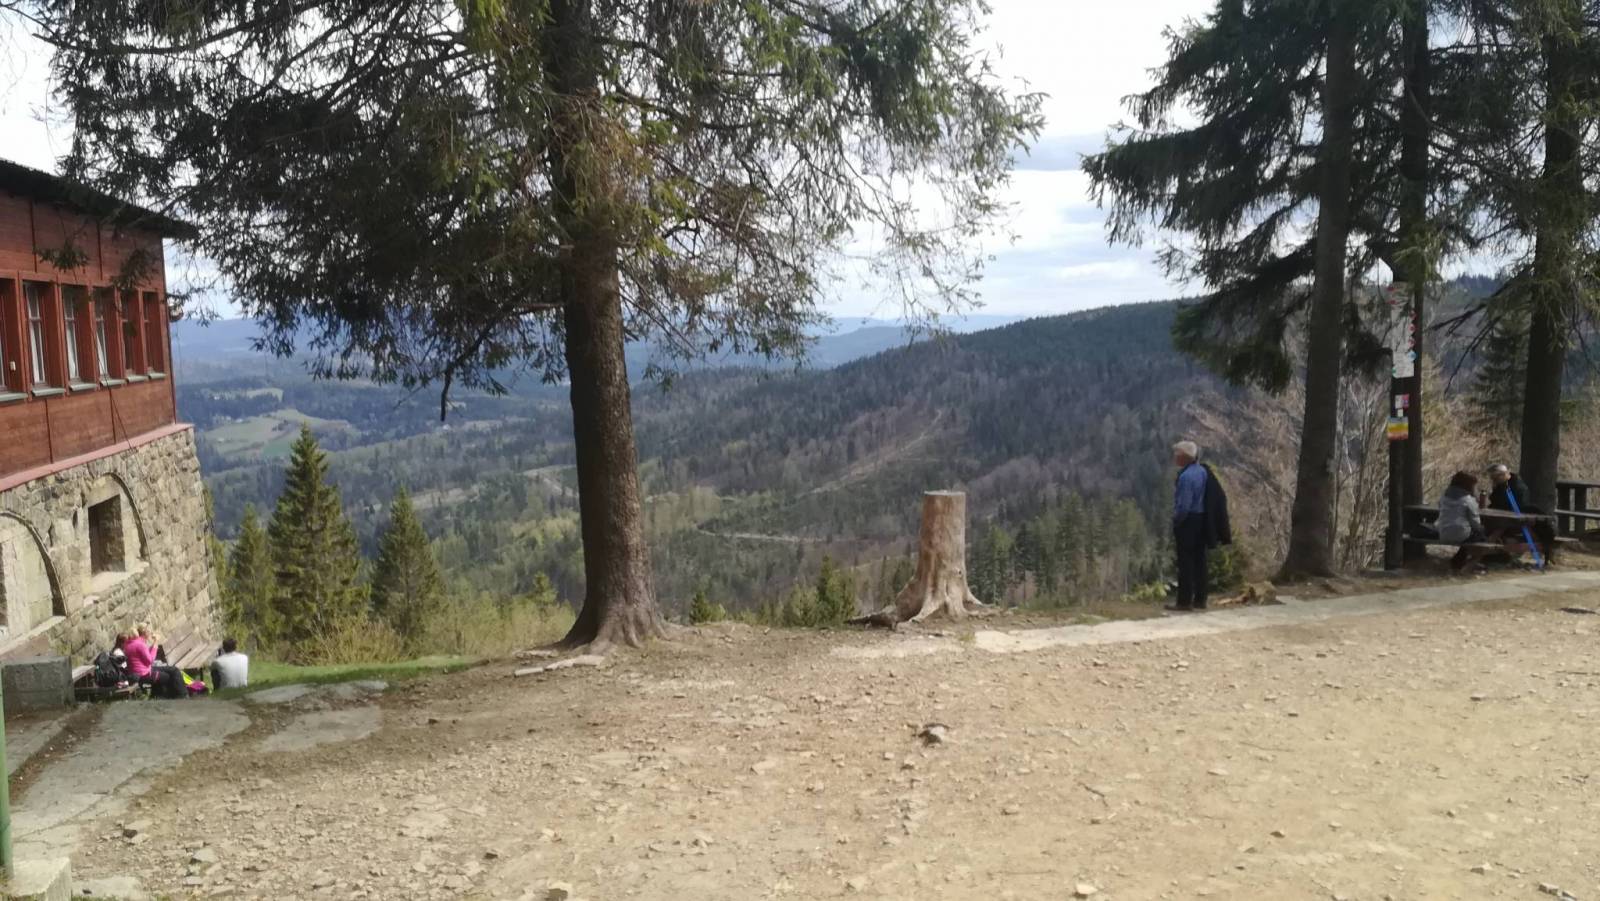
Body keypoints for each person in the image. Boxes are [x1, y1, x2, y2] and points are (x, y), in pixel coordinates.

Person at [1169, 440, 1228, 612]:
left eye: (1177, 454)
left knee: (1185, 562)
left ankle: (1184, 601)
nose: (1175, 457)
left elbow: (1184, 506)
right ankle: (1200, 600)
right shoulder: (1203, 471)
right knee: (1200, 560)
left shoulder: (1186, 477)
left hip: (1189, 521)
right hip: (1203, 520)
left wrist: (1176, 520)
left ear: (1184, 457)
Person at [1485, 463, 1557, 563]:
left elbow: (1514, 504)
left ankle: (1488, 549)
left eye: (1495, 478)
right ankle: (1490, 551)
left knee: (1500, 527)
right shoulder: (1501, 485)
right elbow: (1496, 501)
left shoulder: (1516, 486)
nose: (1494, 481)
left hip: (1518, 517)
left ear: (1502, 475)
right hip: (1507, 516)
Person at [1437, 471, 1487, 572]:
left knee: (1472, 535)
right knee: (1483, 535)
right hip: (1461, 534)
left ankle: (1458, 560)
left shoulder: (1443, 497)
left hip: (1443, 532)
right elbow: (1475, 523)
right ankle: (1468, 563)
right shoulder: (1468, 500)